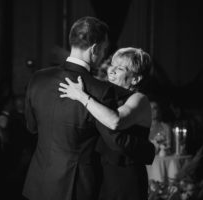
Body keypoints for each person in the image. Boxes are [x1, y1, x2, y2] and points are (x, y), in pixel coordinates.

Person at [23, 16, 154, 200]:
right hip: (74, 185)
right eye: (106, 54)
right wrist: (148, 150)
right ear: (95, 49)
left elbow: (31, 127)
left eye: (121, 68)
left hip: (38, 182)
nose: (109, 68)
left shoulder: (38, 78)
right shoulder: (100, 90)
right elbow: (115, 139)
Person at [58, 47, 155, 200]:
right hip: (99, 173)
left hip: (124, 178)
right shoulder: (107, 96)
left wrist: (82, 96)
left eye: (120, 68)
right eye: (112, 65)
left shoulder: (139, 99)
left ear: (136, 79)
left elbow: (115, 121)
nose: (112, 71)